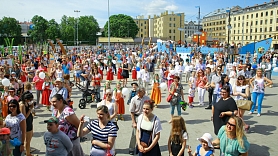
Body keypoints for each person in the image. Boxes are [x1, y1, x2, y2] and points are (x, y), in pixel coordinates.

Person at [128, 87, 150, 155]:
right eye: (143, 92)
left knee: (144, 133)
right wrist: (134, 122)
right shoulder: (134, 99)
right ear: (138, 93)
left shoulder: (146, 98)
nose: (144, 93)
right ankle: (131, 148)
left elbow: (150, 106)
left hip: (145, 116)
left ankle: (143, 146)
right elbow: (132, 112)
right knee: (135, 134)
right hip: (137, 116)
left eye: (144, 92)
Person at [19, 92, 34, 156]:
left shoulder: (25, 103)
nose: (30, 101)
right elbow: (24, 117)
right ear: (25, 99)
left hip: (29, 122)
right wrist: (30, 108)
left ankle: (27, 150)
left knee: (29, 138)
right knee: (27, 140)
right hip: (26, 123)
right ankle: (28, 153)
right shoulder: (22, 105)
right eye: (30, 99)